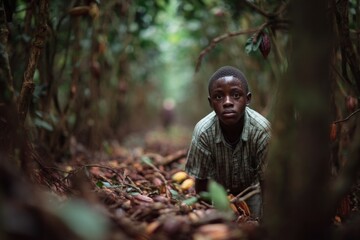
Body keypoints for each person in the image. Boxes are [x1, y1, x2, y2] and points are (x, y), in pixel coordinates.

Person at [185, 66, 271, 219]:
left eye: (236, 95)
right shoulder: (203, 132)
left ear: (248, 99)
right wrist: (205, 214)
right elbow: (202, 182)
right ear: (211, 103)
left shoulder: (261, 130)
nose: (227, 102)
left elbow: (268, 183)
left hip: (252, 192)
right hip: (219, 193)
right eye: (219, 97)